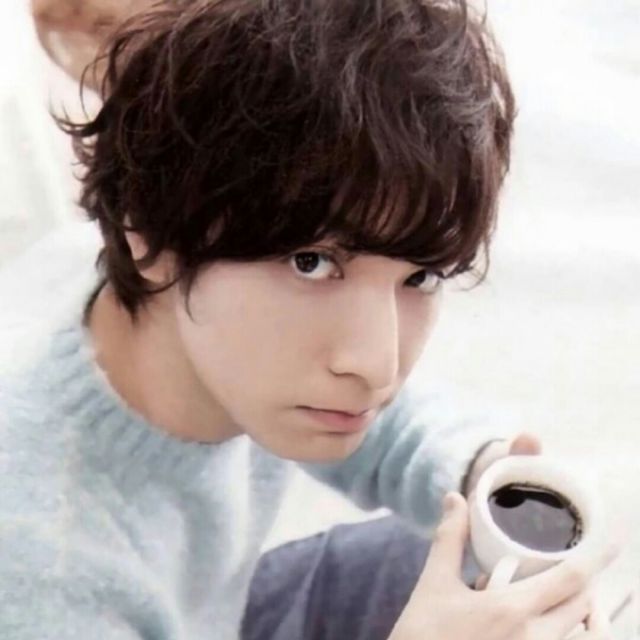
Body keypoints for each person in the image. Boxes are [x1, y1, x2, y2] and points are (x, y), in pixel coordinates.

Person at [0, 0, 620, 638]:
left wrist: (486, 469)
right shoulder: (41, 568)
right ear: (150, 231)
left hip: (219, 614)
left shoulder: (197, 338)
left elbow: (383, 427)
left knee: (472, 561)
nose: (376, 365)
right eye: (311, 263)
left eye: (421, 276)